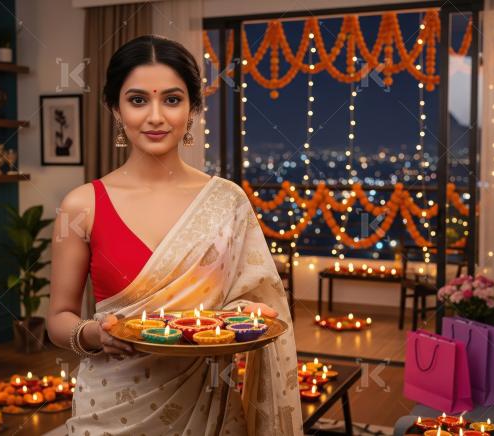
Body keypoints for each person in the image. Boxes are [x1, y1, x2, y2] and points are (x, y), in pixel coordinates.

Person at [47, 34, 303, 436]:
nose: (155, 116)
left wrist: (246, 315)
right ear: (115, 109)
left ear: (193, 109)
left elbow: (249, 301)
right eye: (137, 100)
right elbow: (58, 319)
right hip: (111, 406)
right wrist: (95, 334)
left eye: (171, 99)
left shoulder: (226, 201)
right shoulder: (82, 205)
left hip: (207, 404)